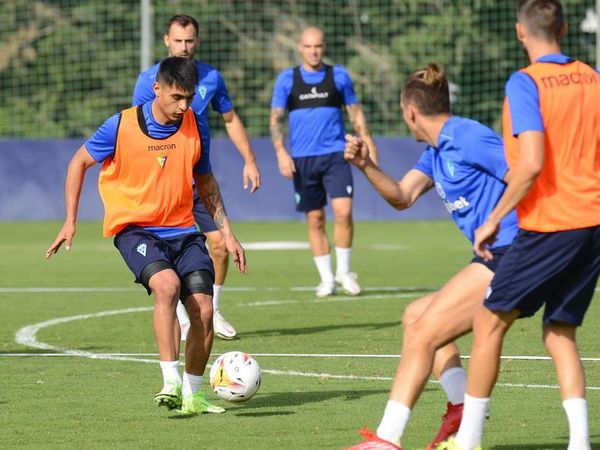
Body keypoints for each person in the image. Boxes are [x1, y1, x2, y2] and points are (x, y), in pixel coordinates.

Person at [439, 2, 600, 450]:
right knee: (560, 331)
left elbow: (529, 164)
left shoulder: (525, 82)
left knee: (488, 323)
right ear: (564, 30)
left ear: (519, 32)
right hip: (594, 222)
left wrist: (492, 219)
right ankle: (580, 443)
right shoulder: (592, 77)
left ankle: (468, 441)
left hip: (552, 222)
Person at [46, 56, 247, 415]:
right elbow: (78, 162)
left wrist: (227, 234)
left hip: (184, 232)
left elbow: (206, 183)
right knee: (167, 286)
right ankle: (169, 382)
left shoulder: (194, 127)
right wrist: (69, 219)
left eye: (188, 99)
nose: (182, 106)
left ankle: (194, 395)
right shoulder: (120, 125)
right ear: (157, 89)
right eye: (175, 98)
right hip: (135, 229)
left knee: (203, 310)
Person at [342, 64, 519, 450]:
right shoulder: (435, 153)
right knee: (415, 316)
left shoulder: (467, 135)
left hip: (512, 253)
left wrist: (497, 221)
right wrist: (365, 165)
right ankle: (459, 408)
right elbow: (403, 197)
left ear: (410, 111)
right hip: (494, 256)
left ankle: (386, 440)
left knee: (424, 331)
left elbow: (523, 173)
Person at [133, 14, 260, 340]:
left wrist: (249, 158)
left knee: (219, 245)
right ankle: (182, 314)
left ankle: (212, 310)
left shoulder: (212, 77)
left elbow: (230, 118)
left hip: (199, 178)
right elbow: (136, 129)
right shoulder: (148, 80)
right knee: (168, 250)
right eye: (178, 40)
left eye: (189, 41)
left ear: (197, 42)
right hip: (162, 183)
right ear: (166, 41)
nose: (183, 47)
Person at [269, 26, 378, 298]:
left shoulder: (338, 76)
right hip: (304, 160)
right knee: (315, 219)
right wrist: (281, 152)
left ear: (324, 47)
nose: (313, 51)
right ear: (300, 48)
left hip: (336, 156)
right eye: (308, 46)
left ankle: (344, 271)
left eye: (318, 46)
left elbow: (355, 113)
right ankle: (326, 278)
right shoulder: (287, 79)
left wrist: (368, 141)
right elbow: (276, 120)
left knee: (343, 213)